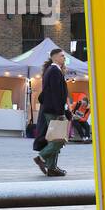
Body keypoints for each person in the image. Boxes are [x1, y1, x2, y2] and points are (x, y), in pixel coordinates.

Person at [33, 48, 71, 177]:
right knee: (58, 139)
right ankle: (42, 158)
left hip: (51, 109)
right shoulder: (54, 71)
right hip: (54, 110)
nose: (64, 58)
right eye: (62, 55)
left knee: (54, 138)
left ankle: (52, 168)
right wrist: (61, 112)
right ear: (54, 57)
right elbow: (56, 94)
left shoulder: (53, 70)